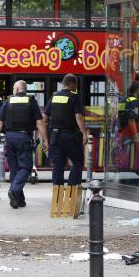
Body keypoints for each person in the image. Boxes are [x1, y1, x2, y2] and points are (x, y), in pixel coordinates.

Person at [0, 80, 48, 209]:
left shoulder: (8, 101)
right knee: (26, 167)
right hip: (24, 137)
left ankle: (19, 200)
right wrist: (45, 140)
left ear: (16, 89)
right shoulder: (31, 101)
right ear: (24, 90)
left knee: (15, 169)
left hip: (10, 138)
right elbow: (40, 123)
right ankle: (14, 190)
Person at [43, 74, 87, 216]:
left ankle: (57, 201)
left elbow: (45, 118)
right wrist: (84, 133)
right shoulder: (74, 97)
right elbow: (78, 117)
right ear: (72, 84)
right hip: (70, 136)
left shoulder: (54, 97)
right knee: (78, 162)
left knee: (58, 166)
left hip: (55, 136)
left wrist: (45, 138)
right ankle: (72, 191)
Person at [117, 80, 139, 185]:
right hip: (132, 136)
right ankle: (134, 181)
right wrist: (136, 136)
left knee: (124, 158)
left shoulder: (123, 100)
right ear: (137, 90)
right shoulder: (135, 101)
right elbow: (131, 119)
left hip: (123, 135)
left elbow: (119, 117)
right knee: (136, 159)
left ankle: (124, 179)